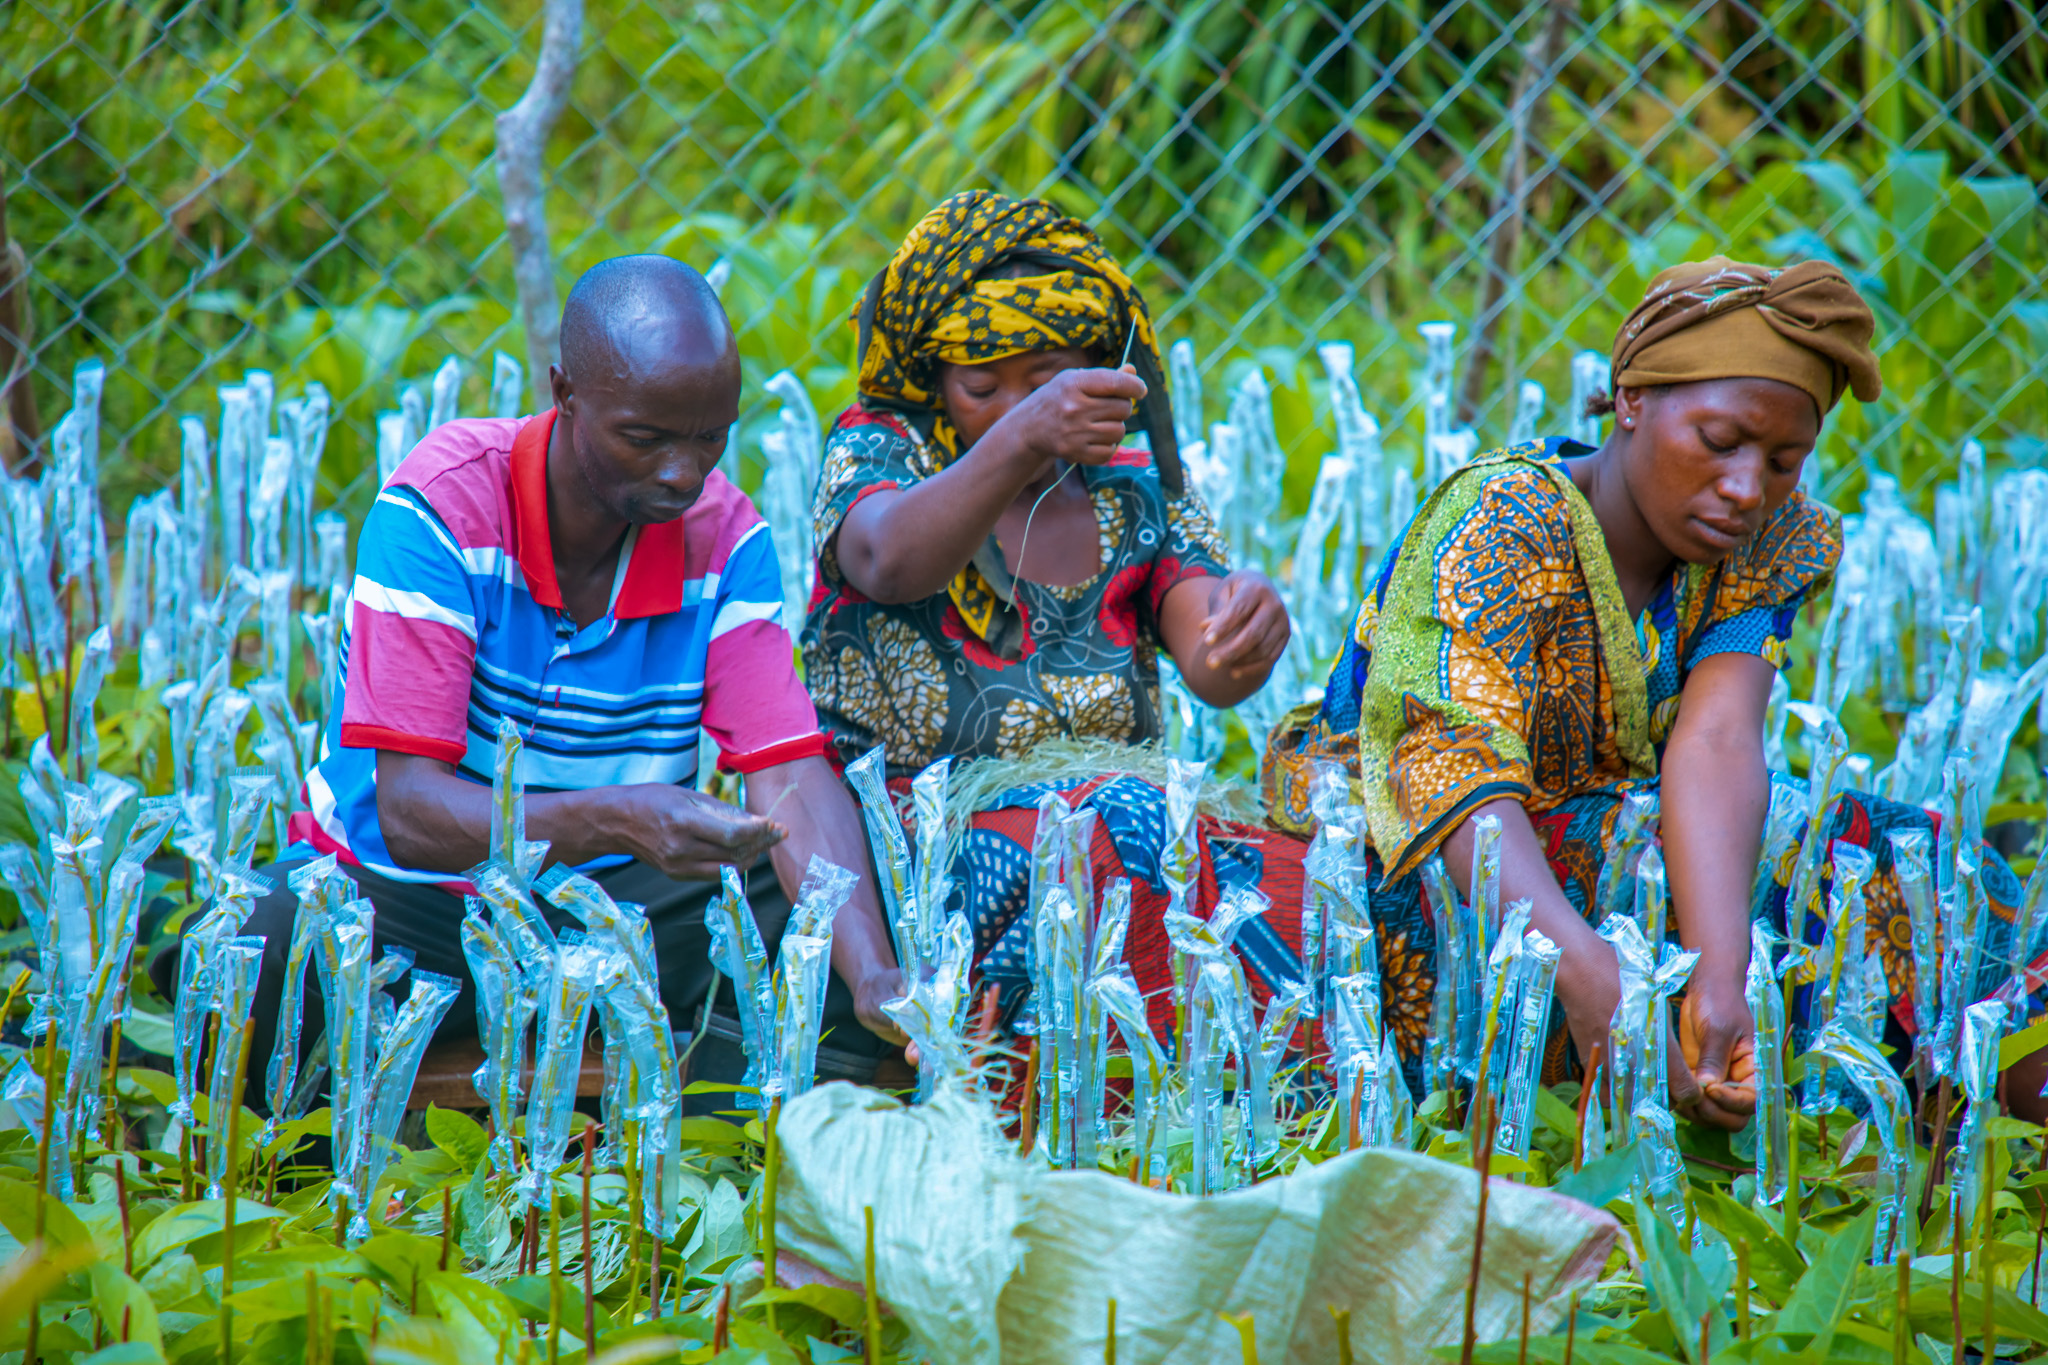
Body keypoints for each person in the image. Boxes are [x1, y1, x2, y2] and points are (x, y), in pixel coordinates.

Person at [1264, 256, 2037, 1126]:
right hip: (1431, 872)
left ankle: (1978, 1110)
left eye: (1784, 460)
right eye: (1720, 441)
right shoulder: (1502, 523)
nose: (1748, 489)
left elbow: (1716, 742)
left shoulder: (1759, 547)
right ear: (1630, 398)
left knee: (1907, 856)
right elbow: (1449, 777)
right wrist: (1589, 976)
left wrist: (1717, 976)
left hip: (1605, 844)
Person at [159, 255, 908, 1104]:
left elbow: (786, 769)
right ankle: (303, 1174)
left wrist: (876, 972)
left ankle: (724, 1155)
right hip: (411, 897)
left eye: (709, 437)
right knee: (248, 951)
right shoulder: (441, 512)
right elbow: (409, 815)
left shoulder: (723, 537)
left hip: (613, 901)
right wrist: (617, 816)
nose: (683, 473)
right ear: (565, 393)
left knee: (824, 900)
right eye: (646, 437)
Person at [803, 190, 1304, 1041]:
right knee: (1110, 827)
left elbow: (1214, 667)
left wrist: (1248, 623)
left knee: (1289, 875)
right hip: (923, 854)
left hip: (1112, 835)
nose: (1012, 407)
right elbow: (885, 561)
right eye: (981, 387)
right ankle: (1033, 1085)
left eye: (1045, 384)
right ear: (934, 380)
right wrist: (1026, 433)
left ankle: (1247, 1103)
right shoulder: (883, 452)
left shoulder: (1131, 492)